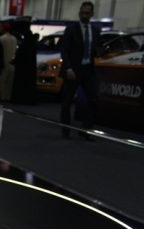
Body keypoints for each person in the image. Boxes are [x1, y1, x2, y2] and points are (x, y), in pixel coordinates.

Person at [60, 1, 100, 139]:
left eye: (87, 13)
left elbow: (94, 48)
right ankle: (65, 131)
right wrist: (68, 67)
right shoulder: (71, 29)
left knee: (93, 100)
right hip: (73, 70)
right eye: (82, 13)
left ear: (92, 14)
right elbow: (64, 50)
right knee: (67, 102)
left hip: (88, 69)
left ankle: (86, 130)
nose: (84, 15)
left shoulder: (96, 30)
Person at [0, 23, 17, 101]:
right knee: (10, 82)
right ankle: (8, 96)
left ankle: (2, 96)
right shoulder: (14, 39)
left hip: (4, 62)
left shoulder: (1, 38)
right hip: (12, 63)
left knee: (2, 81)